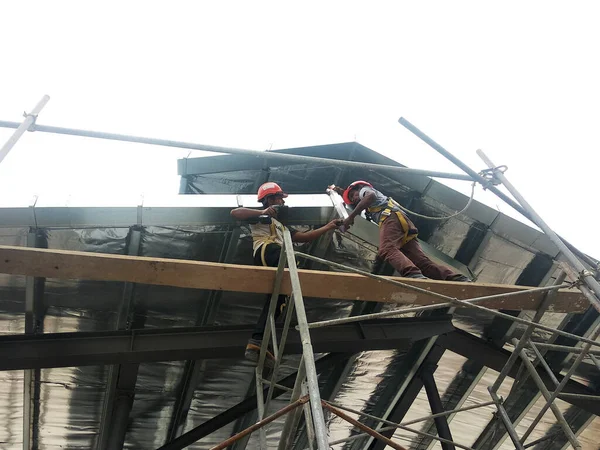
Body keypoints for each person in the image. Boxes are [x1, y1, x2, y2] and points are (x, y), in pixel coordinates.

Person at [231, 182, 341, 367]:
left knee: (279, 302)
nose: (282, 201)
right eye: (279, 197)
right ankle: (259, 340)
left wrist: (329, 226)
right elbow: (235, 213)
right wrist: (262, 212)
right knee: (291, 262)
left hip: (277, 254)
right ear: (270, 199)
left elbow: (306, 237)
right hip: (267, 251)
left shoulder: (282, 226)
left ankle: (257, 342)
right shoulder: (260, 216)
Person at [334, 180, 470, 282]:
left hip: (391, 218)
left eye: (353, 194)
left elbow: (370, 197)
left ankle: (413, 274)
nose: (354, 199)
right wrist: (337, 190)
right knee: (423, 263)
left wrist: (350, 217)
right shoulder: (369, 203)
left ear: (359, 188)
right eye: (352, 199)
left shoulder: (365, 190)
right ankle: (457, 279)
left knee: (386, 249)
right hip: (402, 223)